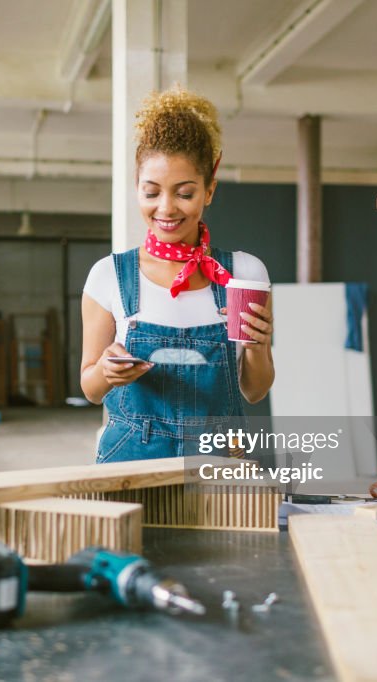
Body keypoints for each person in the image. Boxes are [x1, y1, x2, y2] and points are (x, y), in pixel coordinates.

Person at [80, 87, 274, 462]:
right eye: (151, 192)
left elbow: (254, 390)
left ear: (209, 190)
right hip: (132, 456)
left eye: (184, 193)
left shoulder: (244, 274)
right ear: (137, 188)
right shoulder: (108, 276)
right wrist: (106, 370)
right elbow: (90, 389)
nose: (166, 208)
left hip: (219, 456)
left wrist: (257, 347)